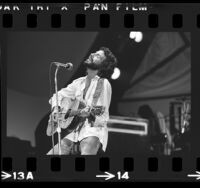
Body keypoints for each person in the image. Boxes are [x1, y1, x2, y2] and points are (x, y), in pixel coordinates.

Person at [47, 47, 117, 155]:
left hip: (94, 130)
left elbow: (101, 114)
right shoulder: (78, 82)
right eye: (94, 52)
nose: (92, 54)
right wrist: (56, 110)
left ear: (103, 65)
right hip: (76, 131)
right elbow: (56, 96)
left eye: (98, 56)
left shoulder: (103, 83)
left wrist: (86, 113)